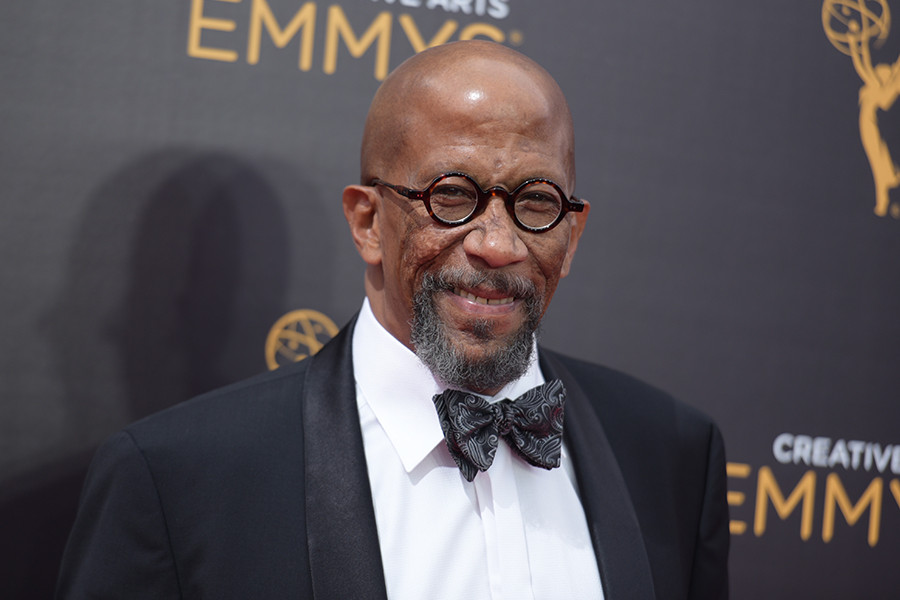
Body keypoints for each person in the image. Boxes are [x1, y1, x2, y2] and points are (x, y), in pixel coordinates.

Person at [56, 41, 729, 599]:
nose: (497, 244)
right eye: (454, 195)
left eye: (536, 201)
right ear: (368, 221)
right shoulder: (180, 480)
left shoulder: (671, 456)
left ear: (572, 237)